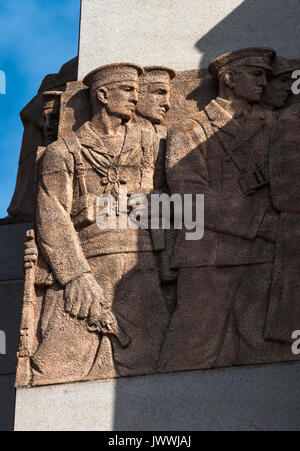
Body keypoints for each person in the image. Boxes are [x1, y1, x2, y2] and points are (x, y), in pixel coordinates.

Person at [31, 63, 169, 385]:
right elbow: (52, 217)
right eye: (128, 90)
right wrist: (77, 277)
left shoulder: (149, 141)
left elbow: (173, 199)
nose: (136, 98)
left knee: (152, 354)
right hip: (89, 266)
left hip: (141, 264)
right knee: (58, 362)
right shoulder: (62, 152)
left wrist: (150, 201)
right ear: (103, 95)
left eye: (137, 90)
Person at [159, 47, 289, 373]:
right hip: (208, 257)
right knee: (190, 352)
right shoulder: (189, 130)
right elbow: (190, 196)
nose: (264, 83)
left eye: (267, 77)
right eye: (256, 75)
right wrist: (260, 222)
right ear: (230, 78)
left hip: (265, 254)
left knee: (266, 355)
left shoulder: (275, 127)